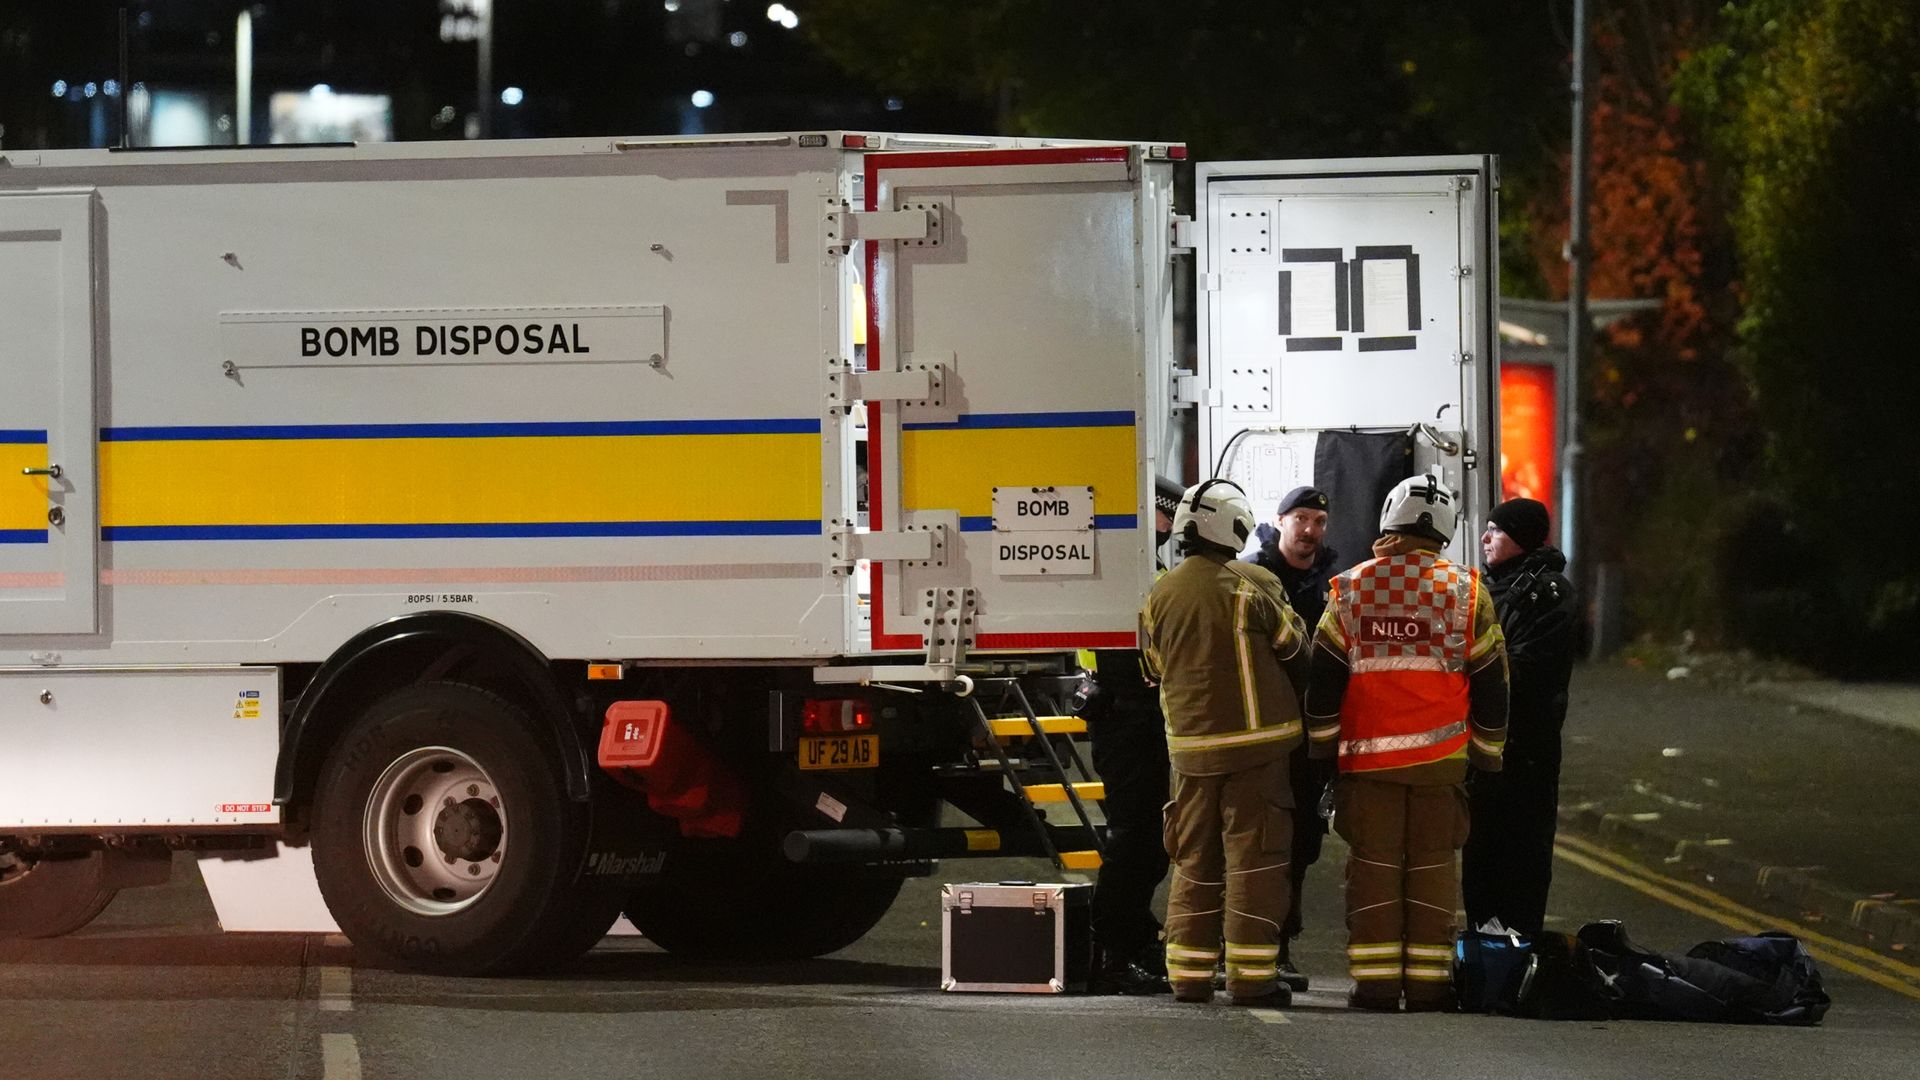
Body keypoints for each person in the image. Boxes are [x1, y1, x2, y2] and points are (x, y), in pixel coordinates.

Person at [1303, 474, 1509, 1011]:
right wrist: (1486, 758)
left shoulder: (1352, 588)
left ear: (1388, 520)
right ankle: (1427, 985)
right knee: (1433, 871)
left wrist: (1322, 753)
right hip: (1442, 763)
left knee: (1373, 870)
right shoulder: (1467, 592)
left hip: (1369, 764)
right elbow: (1492, 682)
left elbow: (1322, 678)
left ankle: (1374, 986)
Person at [1142, 479, 1311, 1006]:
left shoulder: (1159, 592)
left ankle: (1188, 977)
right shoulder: (1252, 583)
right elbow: (1297, 651)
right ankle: (1251, 977)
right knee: (1255, 863)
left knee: (1193, 861)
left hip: (1189, 755)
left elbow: (1152, 669)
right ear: (1233, 526)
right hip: (1257, 752)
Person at [1083, 478, 1186, 996]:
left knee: (1149, 844)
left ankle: (1133, 937)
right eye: (1170, 519)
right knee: (1135, 842)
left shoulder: (1152, 571)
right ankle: (1112, 952)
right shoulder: (1132, 576)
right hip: (1127, 722)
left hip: (1141, 722)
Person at [1462, 498, 1575, 936]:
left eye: (1497, 530)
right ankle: (1484, 956)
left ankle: (1515, 959)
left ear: (1524, 538)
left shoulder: (1548, 593)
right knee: (1480, 858)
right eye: (1487, 528)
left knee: (1522, 862)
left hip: (1526, 752)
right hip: (1484, 749)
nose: (1486, 538)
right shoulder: (1487, 587)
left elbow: (1526, 671)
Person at [1247, 486, 1338, 991]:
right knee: (1257, 843)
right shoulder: (1255, 579)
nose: (1310, 530)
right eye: (1301, 518)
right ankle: (1240, 943)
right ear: (1280, 521)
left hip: (1311, 740)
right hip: (1263, 736)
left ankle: (1281, 945)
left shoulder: (1335, 583)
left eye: (1319, 521)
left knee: (1301, 845)